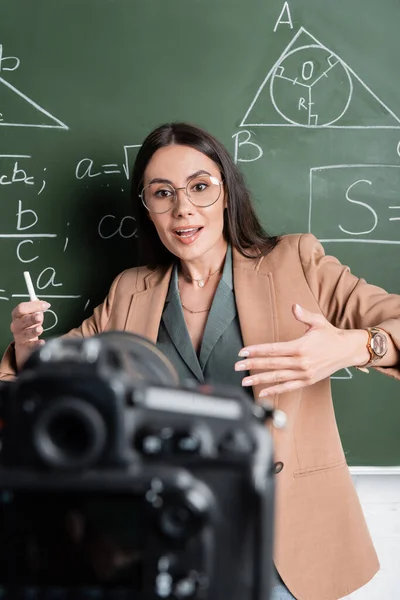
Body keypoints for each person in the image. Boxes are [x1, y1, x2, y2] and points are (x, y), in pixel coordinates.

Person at [1, 122, 400, 600]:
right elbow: (57, 381)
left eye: (200, 187)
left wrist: (355, 346)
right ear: (147, 208)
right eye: (162, 193)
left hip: (284, 552)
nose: (183, 208)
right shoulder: (131, 289)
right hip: (156, 544)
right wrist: (28, 350)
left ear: (227, 193)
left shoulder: (296, 260)